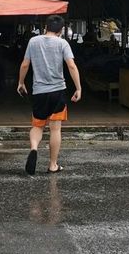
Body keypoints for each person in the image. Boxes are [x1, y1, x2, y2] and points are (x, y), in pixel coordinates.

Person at [17, 15, 82, 175]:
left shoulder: (33, 42)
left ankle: (33, 149)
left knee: (37, 126)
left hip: (39, 92)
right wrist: (78, 88)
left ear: (45, 26)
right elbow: (71, 66)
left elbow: (25, 64)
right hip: (57, 91)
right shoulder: (62, 43)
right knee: (55, 129)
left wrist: (20, 82)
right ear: (60, 30)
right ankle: (53, 165)